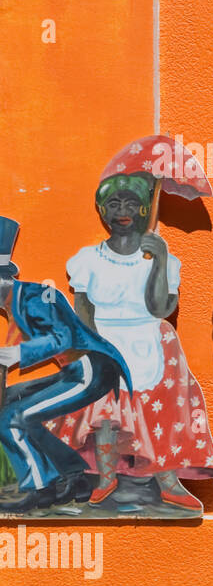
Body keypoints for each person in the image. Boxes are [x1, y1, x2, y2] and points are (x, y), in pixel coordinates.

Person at [46, 171, 213, 513]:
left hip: (151, 341)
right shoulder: (88, 260)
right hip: (106, 339)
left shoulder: (163, 259)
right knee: (106, 414)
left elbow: (161, 308)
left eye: (132, 202)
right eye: (113, 202)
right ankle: (107, 477)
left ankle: (168, 482)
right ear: (101, 210)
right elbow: (83, 310)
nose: (122, 209)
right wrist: (93, 350)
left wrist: (158, 261)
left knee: (163, 412)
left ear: (144, 210)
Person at [0, 216, 131, 513]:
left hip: (92, 369)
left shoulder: (38, 295)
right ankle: (73, 476)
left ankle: (39, 488)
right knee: (10, 403)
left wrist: (16, 355)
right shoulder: (15, 305)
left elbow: (63, 336)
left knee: (11, 418)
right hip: (75, 371)